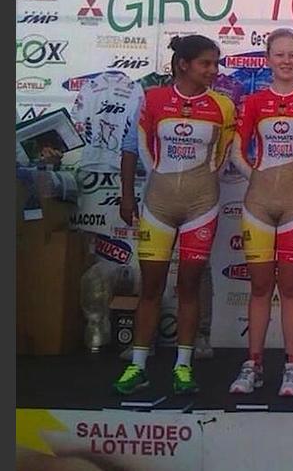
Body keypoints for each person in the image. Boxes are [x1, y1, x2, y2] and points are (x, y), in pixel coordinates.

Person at [112, 35, 236, 396]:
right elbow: (132, 149)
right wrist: (126, 196)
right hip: (158, 204)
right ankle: (137, 366)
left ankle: (183, 366)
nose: (213, 71)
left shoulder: (223, 106)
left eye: (216, 63)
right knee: (150, 288)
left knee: (189, 287)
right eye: (206, 63)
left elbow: (223, 156)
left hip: (201, 205)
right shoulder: (151, 99)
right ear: (183, 64)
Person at [227, 28, 293, 397]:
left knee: (289, 287)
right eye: (280, 55)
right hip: (259, 205)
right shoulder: (255, 102)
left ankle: (291, 366)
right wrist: (256, 178)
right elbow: (236, 151)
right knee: (259, 287)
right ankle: (253, 363)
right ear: (268, 59)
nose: (287, 61)